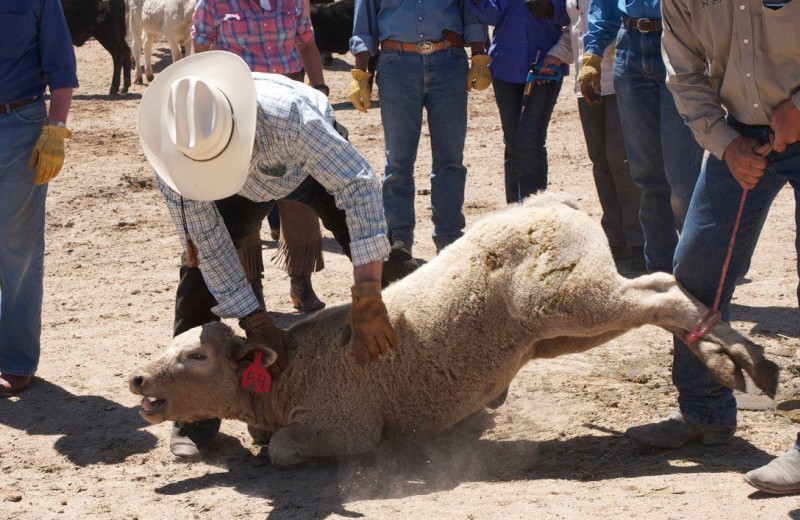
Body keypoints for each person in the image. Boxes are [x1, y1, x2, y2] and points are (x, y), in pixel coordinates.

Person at [140, 51, 399, 458]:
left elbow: (359, 187)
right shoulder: (171, 149)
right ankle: (194, 415)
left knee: (394, 266)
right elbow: (207, 244)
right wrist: (254, 319)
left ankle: (439, 363)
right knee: (196, 290)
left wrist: (367, 292)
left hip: (306, 169)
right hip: (236, 193)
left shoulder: (291, 116)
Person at [636, 0, 800, 495]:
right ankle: (704, 412)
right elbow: (686, 76)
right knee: (695, 270)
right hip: (741, 134)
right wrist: (726, 143)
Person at [192, 0, 330, 315]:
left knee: (299, 191)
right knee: (242, 191)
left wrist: (319, 86)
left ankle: (302, 281)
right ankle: (252, 285)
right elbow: (198, 52)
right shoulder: (213, 3)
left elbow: (307, 43)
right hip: (236, 103)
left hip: (290, 99)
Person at [350, 0, 488, 255]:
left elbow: (470, 8)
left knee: (450, 159)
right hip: (396, 66)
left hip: (449, 61)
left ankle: (449, 238)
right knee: (398, 163)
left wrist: (478, 53)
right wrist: (360, 73)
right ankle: (400, 241)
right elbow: (364, 23)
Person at [580, 0, 703, 273]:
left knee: (682, 177)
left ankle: (698, 276)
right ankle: (660, 276)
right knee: (646, 176)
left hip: (681, 42)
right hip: (630, 46)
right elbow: (604, 4)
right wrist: (593, 52)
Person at [0, 0, 78, 397]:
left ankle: (15, 361)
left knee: (18, 249)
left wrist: (56, 127)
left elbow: (61, 65)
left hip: (19, 127)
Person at [543, 0, 644, 269]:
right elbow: (576, 29)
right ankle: (615, 238)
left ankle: (639, 241)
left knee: (621, 161)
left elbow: (616, 21)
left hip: (619, 77)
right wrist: (557, 53)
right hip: (586, 81)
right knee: (600, 162)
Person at [468, 0, 569, 203]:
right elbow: (493, 16)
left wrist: (552, 9)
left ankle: (533, 214)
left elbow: (574, 11)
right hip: (506, 65)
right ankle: (514, 214)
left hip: (546, 65)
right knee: (513, 142)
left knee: (531, 139)